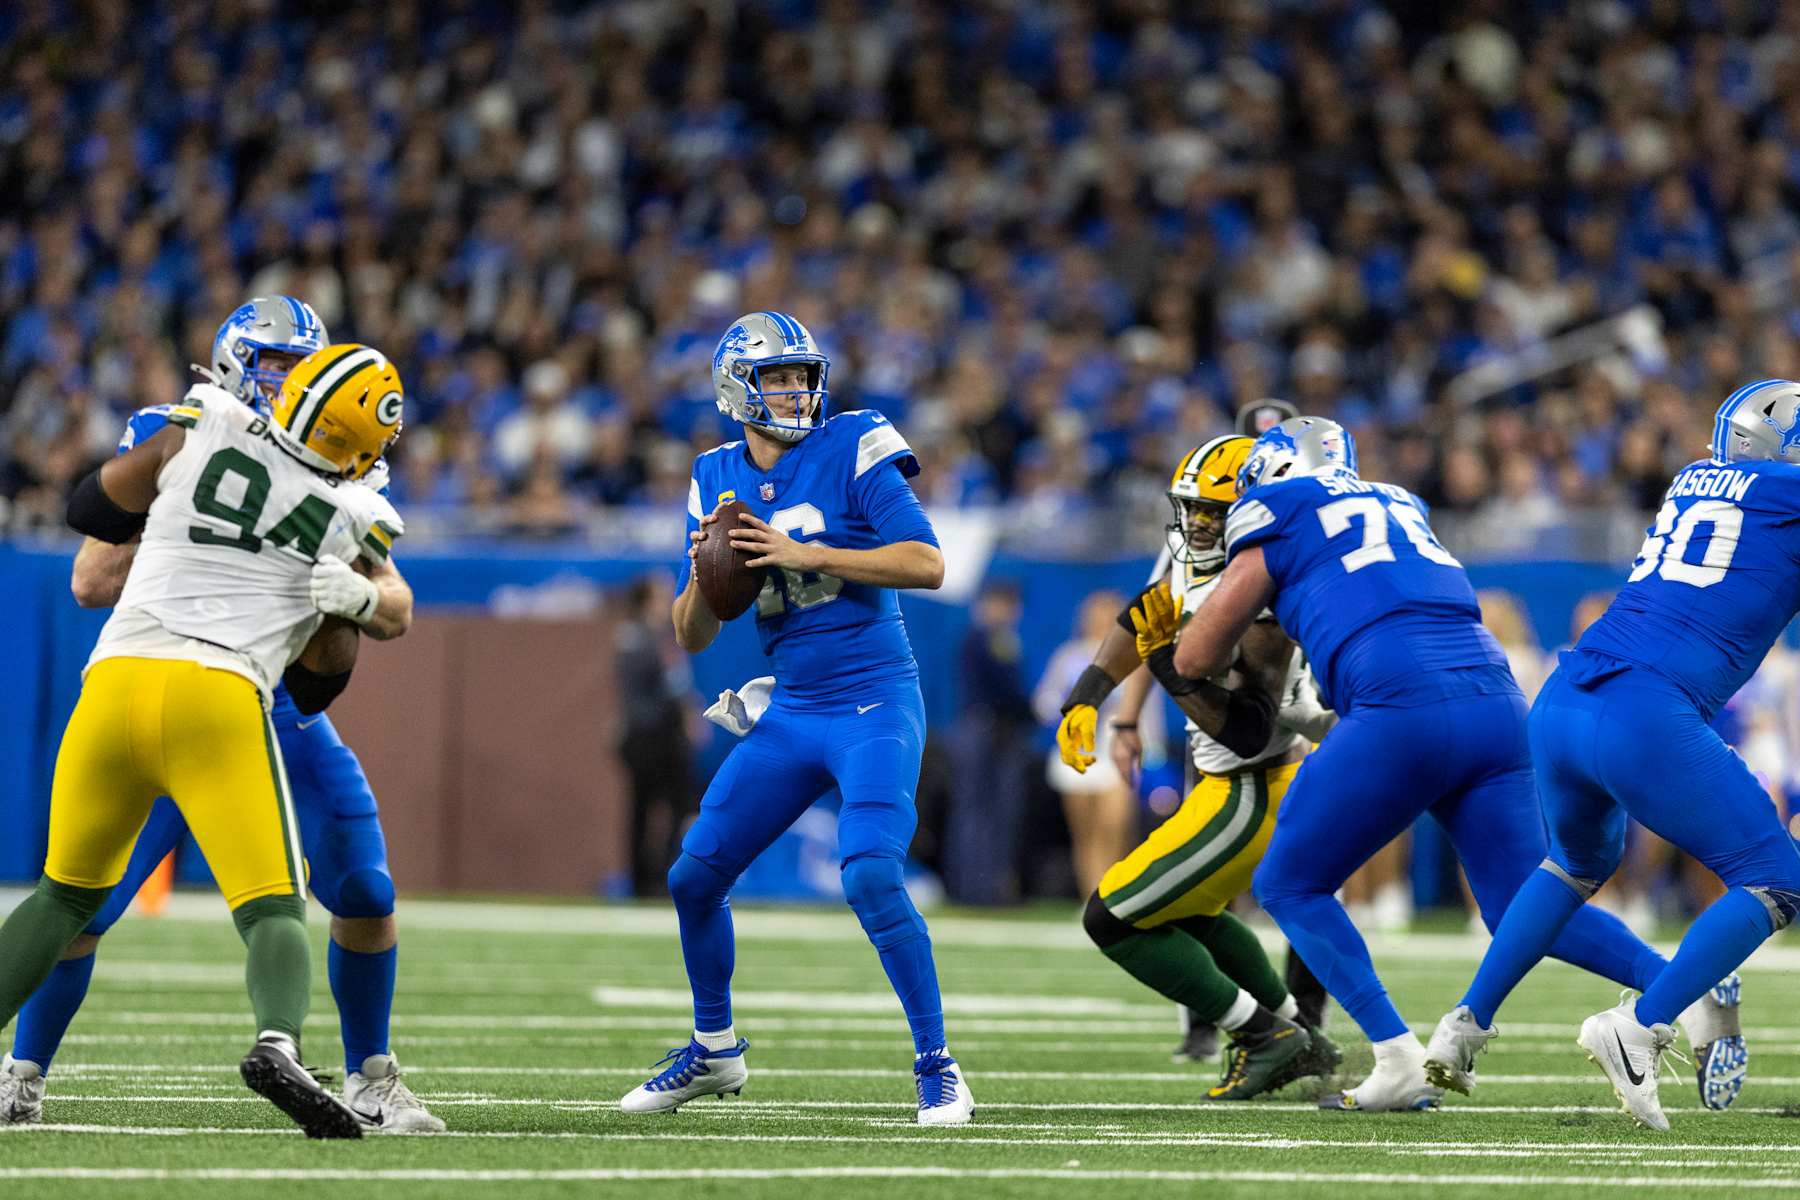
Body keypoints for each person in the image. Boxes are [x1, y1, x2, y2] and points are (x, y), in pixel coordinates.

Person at [0, 301, 442, 1134]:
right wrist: (229, 538)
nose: (288, 379)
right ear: (238, 362)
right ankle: (22, 1074)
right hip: (204, 681)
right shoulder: (189, 426)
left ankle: (372, 1077)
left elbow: (370, 622)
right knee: (86, 910)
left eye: (302, 364)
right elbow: (90, 579)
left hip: (265, 704)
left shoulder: (343, 470)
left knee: (365, 891)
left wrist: (343, 591)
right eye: (274, 362)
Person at [1172, 416, 1674, 1112]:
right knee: (1516, 905)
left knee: (1289, 882)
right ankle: (1684, 987)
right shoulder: (1400, 502)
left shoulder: (1278, 508)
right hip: (1496, 700)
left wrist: (1173, 642)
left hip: (1401, 703)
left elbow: (1196, 657)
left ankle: (1395, 1054)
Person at [618, 311, 969, 1124]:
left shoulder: (855, 442)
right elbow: (690, 630)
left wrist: (814, 554)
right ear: (737, 389)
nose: (796, 390)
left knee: (873, 872)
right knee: (693, 876)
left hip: (875, 696)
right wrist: (711, 570)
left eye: (802, 376)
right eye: (777, 377)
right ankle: (714, 1052)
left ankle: (938, 1063)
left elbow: (928, 561)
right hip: (794, 707)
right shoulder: (713, 474)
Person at [1422, 380, 1800, 1130]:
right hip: (1643, 711)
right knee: (1775, 879)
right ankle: (1641, 1026)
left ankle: (1464, 1026)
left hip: (1566, 699)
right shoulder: (1786, 492)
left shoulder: (1696, 480)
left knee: (1571, 865)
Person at [1056, 436, 1340, 1101]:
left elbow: (1248, 730)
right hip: (1226, 788)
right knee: (1188, 914)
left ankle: (1264, 1035)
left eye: (1217, 510)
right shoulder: (1200, 568)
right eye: (1193, 509)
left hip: (1253, 787)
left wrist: (1166, 667)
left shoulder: (1264, 591)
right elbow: (1140, 616)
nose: (1201, 524)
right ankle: (1304, 1036)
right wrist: (1085, 701)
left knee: (1112, 919)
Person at [1035, 591, 1138, 896]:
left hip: (1116, 748)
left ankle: (1114, 892)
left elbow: (1144, 707)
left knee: (1115, 826)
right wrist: (1074, 707)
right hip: (1079, 752)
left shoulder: (1131, 653)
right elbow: (1044, 702)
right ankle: (1090, 897)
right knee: (1085, 834)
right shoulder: (1069, 655)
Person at [945, 580, 1034, 904]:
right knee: (975, 811)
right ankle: (970, 887)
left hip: (1001, 729)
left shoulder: (1005, 640)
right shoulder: (983, 639)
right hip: (982, 727)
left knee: (999, 812)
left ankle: (992, 885)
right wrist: (1031, 712)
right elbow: (1002, 691)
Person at [613, 573, 699, 897]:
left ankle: (644, 877)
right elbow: (671, 684)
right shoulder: (651, 638)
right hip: (656, 735)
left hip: (639, 734)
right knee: (673, 805)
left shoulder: (629, 636)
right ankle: (656, 876)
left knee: (645, 808)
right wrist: (687, 713)